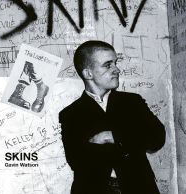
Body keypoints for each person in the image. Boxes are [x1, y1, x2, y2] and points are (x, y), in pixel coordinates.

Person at [59, 40, 166, 194]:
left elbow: (156, 138)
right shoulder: (71, 114)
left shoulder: (132, 102)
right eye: (107, 65)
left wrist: (112, 136)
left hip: (139, 186)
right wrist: (131, 140)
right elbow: (77, 161)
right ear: (88, 73)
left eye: (115, 63)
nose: (117, 70)